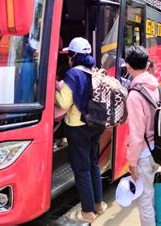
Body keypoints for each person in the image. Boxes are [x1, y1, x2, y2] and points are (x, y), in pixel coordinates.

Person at [54, 37, 107, 223]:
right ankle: (99, 203)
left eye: (69, 54)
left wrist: (54, 89)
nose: (68, 58)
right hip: (95, 125)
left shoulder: (73, 74)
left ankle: (87, 211)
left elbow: (64, 102)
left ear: (74, 56)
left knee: (81, 168)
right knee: (93, 163)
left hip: (78, 127)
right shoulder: (93, 71)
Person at [125, 46, 160, 226]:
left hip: (144, 154)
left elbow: (137, 134)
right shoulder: (155, 86)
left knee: (144, 199)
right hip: (158, 149)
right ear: (147, 65)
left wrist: (132, 162)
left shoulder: (134, 95)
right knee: (152, 193)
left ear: (128, 67)